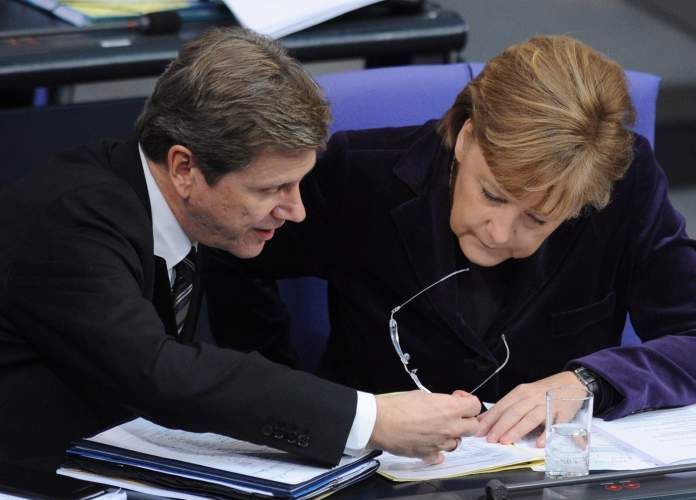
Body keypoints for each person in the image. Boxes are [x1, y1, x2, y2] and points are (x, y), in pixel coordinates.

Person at [206, 35, 696, 448]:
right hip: (373, 467)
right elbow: (229, 253)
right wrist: (297, 395)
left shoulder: (621, 188)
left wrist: (588, 382)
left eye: (538, 219)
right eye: (491, 195)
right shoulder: (359, 177)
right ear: (465, 136)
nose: (500, 231)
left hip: (542, 471)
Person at [0, 27, 481, 472]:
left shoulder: (175, 211)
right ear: (185, 168)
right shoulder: (73, 220)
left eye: (299, 185)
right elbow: (159, 372)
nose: (295, 211)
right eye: (272, 189)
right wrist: (371, 419)